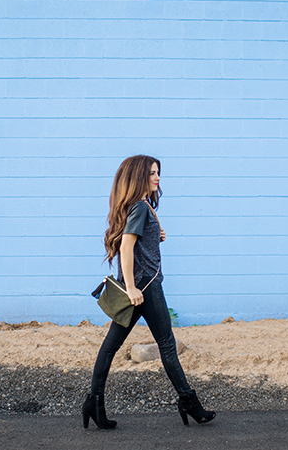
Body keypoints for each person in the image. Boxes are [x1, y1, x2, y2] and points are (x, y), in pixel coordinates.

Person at [82, 154, 216, 429]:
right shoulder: (140, 208)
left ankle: (94, 403)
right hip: (145, 288)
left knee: (110, 347)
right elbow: (126, 247)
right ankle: (189, 403)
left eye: (158, 172)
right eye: (152, 173)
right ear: (139, 176)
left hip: (138, 288)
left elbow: (136, 243)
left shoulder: (138, 206)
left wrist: (156, 236)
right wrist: (132, 287)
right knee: (167, 345)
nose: (157, 177)